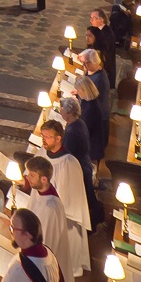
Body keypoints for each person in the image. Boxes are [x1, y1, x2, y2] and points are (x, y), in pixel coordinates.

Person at [19, 159, 80, 282]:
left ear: (44, 179)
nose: (27, 178)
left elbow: (48, 241)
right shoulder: (37, 190)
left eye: (31, 175)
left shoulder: (52, 206)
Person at [37, 118, 91, 276]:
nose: (43, 140)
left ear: (58, 138)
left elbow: (71, 197)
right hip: (43, 207)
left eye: (47, 137)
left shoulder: (69, 162)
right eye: (42, 136)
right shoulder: (42, 153)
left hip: (65, 215)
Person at [54, 95, 101, 225]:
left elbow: (66, 155)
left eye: (61, 109)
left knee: (84, 199)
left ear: (68, 112)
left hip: (78, 168)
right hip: (84, 163)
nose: (60, 111)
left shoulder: (72, 131)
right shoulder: (78, 122)